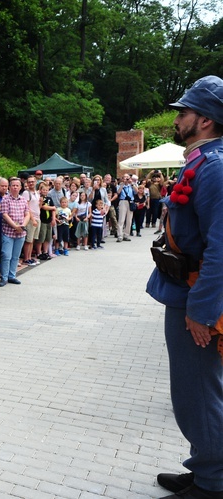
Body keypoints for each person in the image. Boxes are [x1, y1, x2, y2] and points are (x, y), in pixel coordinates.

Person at [148, 75, 223, 499]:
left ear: (206, 120)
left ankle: (213, 483)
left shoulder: (214, 167)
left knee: (199, 393)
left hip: (196, 298)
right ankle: (204, 466)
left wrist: (202, 311)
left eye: (183, 112)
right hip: (187, 291)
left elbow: (221, 248)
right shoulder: (204, 159)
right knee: (192, 391)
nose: (177, 119)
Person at [0, 177, 30, 287]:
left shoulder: (23, 200)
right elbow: (4, 214)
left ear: (20, 187)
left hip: (21, 232)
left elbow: (27, 214)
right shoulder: (5, 199)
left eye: (17, 185)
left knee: (16, 256)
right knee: (6, 255)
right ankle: (4, 277)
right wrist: (15, 226)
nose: (15, 187)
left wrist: (23, 225)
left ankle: (12, 275)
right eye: (13, 185)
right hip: (8, 232)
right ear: (10, 187)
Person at [116, 173, 137, 242]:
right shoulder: (119, 185)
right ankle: (120, 235)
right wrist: (123, 184)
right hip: (123, 201)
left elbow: (137, 191)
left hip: (130, 202)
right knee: (121, 219)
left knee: (129, 220)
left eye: (127, 177)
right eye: (125, 177)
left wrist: (132, 184)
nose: (126, 179)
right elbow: (118, 192)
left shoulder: (132, 185)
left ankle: (126, 235)